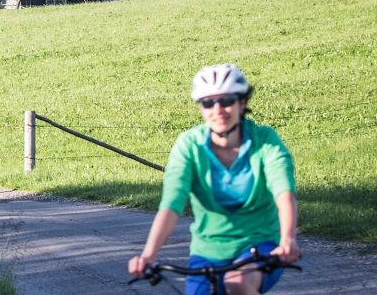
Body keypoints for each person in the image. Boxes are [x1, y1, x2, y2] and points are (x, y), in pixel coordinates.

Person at [128, 64, 301, 295]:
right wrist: (148, 255)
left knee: (237, 283)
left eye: (227, 101)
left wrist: (288, 240)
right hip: (207, 253)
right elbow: (171, 204)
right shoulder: (189, 146)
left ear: (242, 103)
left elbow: (284, 193)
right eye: (208, 103)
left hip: (259, 246)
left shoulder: (265, 141)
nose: (218, 110)